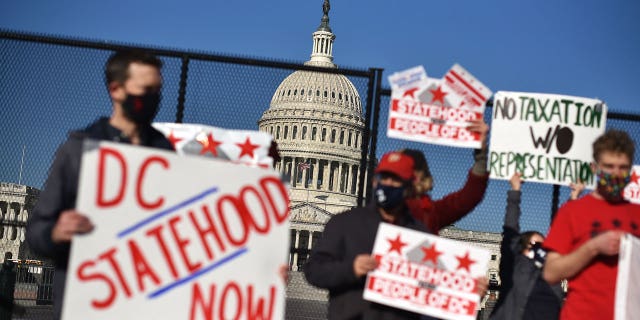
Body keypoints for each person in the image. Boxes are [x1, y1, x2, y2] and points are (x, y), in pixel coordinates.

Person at [26, 50, 173, 319]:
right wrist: (56, 232)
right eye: (146, 89)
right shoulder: (78, 150)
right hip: (86, 303)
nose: (154, 97)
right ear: (116, 90)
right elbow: (36, 232)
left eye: (158, 89)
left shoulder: (166, 153)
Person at [304, 151, 426, 319]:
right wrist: (351, 268)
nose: (388, 184)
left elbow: (431, 286)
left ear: (409, 186)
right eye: (384, 178)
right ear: (374, 181)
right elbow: (314, 271)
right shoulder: (344, 223)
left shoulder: (419, 234)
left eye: (396, 180)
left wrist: (469, 289)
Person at [543, 129, 640, 320]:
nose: (616, 173)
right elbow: (550, 272)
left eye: (623, 167)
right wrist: (593, 247)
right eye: (609, 166)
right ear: (594, 168)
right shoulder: (572, 211)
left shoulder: (637, 213)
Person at [489, 172, 568, 320]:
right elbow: (510, 230)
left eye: (543, 246)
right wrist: (515, 190)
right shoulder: (513, 267)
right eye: (534, 245)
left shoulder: (553, 274)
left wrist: (574, 197)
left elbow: (565, 232)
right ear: (521, 248)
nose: (539, 250)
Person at [402, 119, 490, 233]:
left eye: (411, 170)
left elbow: (468, 197)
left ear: (422, 178)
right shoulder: (377, 209)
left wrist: (481, 154)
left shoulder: (432, 212)